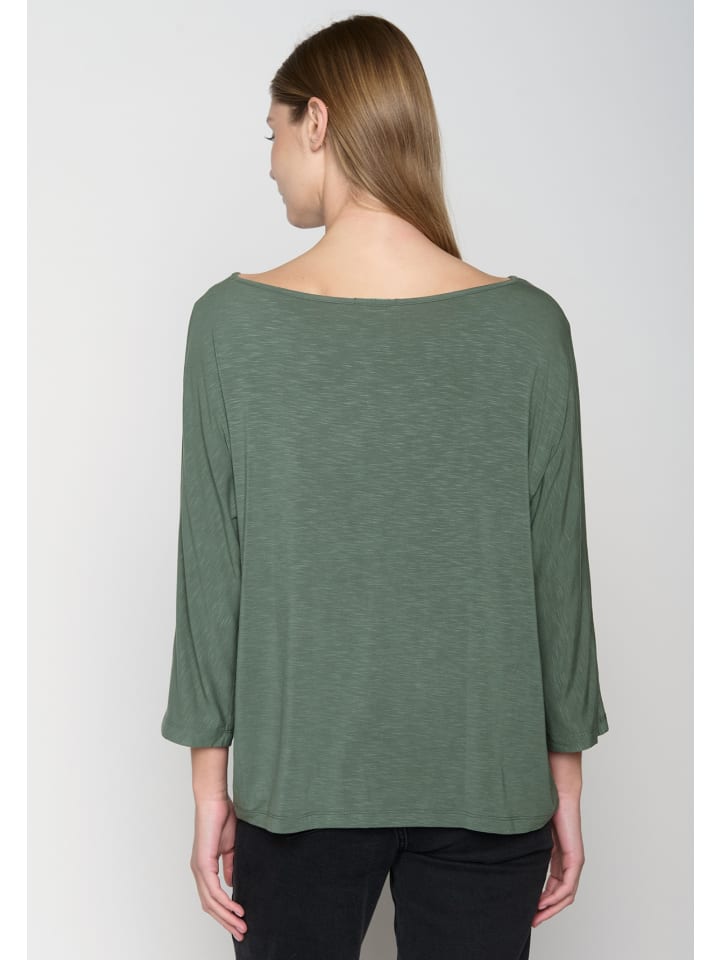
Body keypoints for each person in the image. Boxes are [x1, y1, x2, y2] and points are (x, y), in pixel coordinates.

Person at [160, 14, 609, 960]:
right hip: (492, 786)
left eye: (274, 133)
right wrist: (565, 784)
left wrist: (209, 790)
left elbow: (212, 575)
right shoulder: (531, 329)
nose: (270, 162)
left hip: (298, 786)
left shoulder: (231, 327)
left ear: (317, 120)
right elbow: (558, 580)